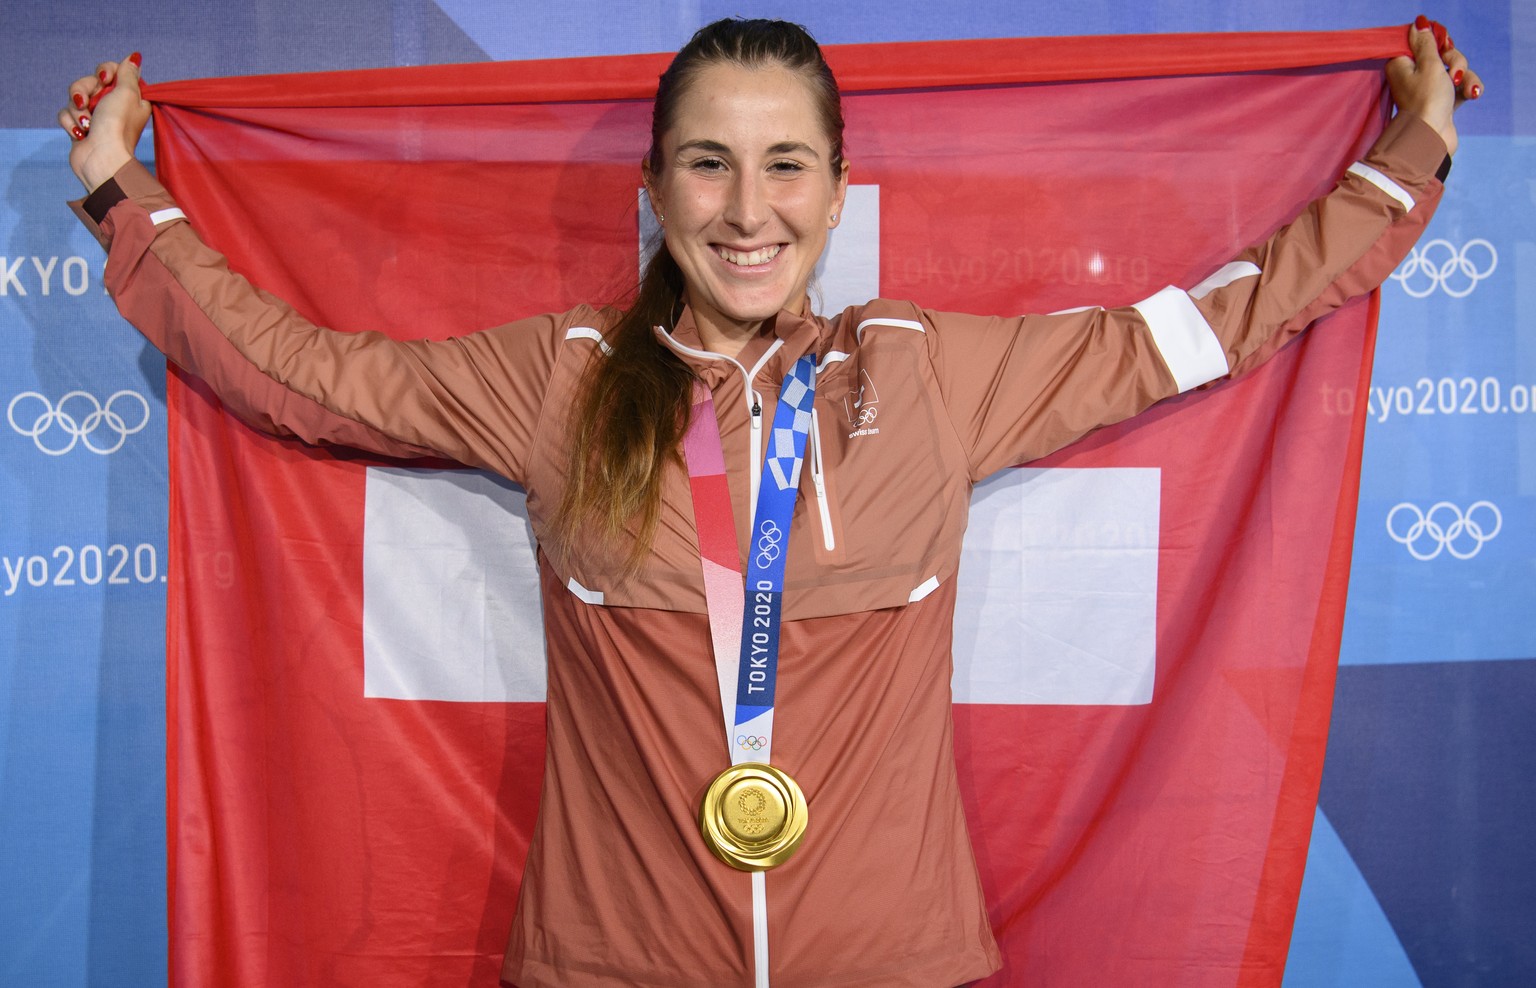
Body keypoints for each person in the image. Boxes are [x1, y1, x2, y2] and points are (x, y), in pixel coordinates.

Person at [59, 17, 1478, 988]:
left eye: (787, 163)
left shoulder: (934, 373)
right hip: (615, 961)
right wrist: (126, 189)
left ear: (841, 186)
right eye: (710, 161)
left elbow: (1204, 326)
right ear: (656, 183)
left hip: (892, 959)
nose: (750, 209)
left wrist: (1404, 159)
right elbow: (301, 373)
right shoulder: (553, 381)